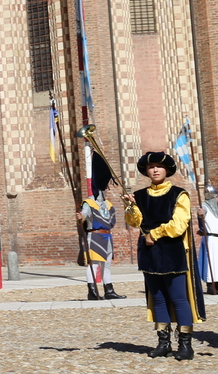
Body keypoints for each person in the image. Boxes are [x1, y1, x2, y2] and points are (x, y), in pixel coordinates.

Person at [122, 152, 205, 361]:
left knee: (178, 298)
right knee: (157, 298)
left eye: (159, 166)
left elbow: (179, 225)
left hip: (173, 251)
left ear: (167, 170)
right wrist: (130, 206)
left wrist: (154, 233)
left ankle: (185, 344)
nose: (155, 170)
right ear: (146, 171)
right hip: (149, 253)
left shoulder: (179, 194)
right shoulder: (139, 196)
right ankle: (163, 342)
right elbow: (134, 222)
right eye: (151, 167)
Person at [77, 151, 126, 301]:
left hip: (107, 235)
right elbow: (85, 213)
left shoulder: (108, 203)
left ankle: (109, 290)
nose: (104, 188)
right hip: (95, 235)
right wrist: (82, 216)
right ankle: (92, 291)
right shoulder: (89, 202)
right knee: (94, 265)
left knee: (107, 265)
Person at [197, 184, 218, 296]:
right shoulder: (204, 207)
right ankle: (211, 286)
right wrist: (200, 214)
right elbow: (201, 218)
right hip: (211, 240)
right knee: (213, 264)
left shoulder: (215, 210)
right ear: (213, 197)